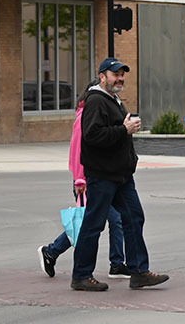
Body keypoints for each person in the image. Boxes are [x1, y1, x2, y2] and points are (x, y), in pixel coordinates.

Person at [69, 58, 168, 292]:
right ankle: (81, 275)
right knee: (94, 224)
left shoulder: (113, 100)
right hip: (103, 175)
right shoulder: (95, 101)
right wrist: (124, 129)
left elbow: (112, 132)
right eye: (115, 74)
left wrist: (126, 133)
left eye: (122, 74)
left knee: (134, 218)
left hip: (121, 175)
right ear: (102, 76)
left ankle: (139, 272)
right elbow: (92, 136)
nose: (120, 78)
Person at [40, 78, 130, 280]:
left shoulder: (94, 114)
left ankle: (116, 263)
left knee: (103, 221)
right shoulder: (84, 118)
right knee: (93, 223)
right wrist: (80, 180)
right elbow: (78, 151)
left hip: (100, 177)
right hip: (88, 181)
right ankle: (53, 251)